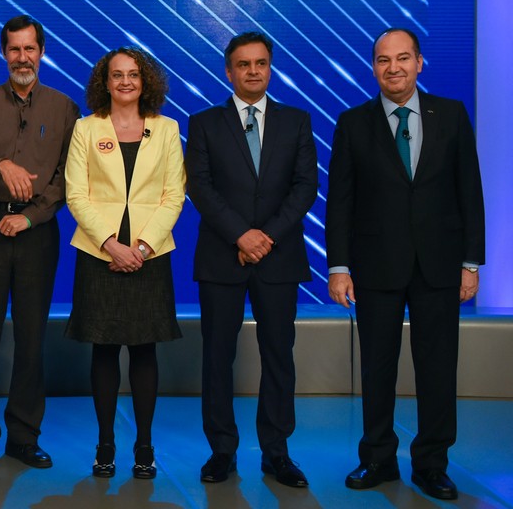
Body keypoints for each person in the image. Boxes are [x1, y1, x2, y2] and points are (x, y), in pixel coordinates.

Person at [327, 28, 485, 501]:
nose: (392, 68)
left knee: (438, 368)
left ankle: (432, 464)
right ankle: (376, 458)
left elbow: (469, 193)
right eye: (382, 60)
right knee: (377, 368)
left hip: (440, 265)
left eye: (402, 58)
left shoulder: (451, 115)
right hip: (375, 267)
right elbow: (340, 203)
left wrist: (470, 263)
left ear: (419, 62)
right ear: (373, 67)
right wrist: (339, 267)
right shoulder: (352, 123)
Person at [184, 32, 317, 488]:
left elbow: (305, 187)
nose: (253, 71)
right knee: (217, 356)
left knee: (279, 356)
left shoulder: (297, 121)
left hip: (279, 259)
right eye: (244, 64)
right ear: (229, 71)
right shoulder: (203, 122)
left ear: (270, 67)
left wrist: (266, 236)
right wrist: (241, 234)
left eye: (261, 63)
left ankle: (277, 452)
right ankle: (222, 451)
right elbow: (200, 187)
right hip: (223, 257)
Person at [0, 14, 80, 470]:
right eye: (13, 49)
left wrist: (29, 218)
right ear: (3, 53)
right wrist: (0, 167)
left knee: (31, 339)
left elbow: (69, 178)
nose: (22, 57)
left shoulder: (65, 108)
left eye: (29, 48)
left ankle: (24, 436)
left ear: (41, 51)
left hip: (37, 234)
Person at [64, 47, 185, 479]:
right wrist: (113, 245)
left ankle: (145, 447)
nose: (126, 82)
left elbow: (174, 195)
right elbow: (76, 194)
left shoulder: (167, 129)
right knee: (104, 348)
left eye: (133, 74)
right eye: (117, 75)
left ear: (145, 80)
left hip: (150, 256)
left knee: (144, 349)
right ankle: (105, 446)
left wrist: (143, 248)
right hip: (101, 255)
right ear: (105, 82)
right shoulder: (86, 128)